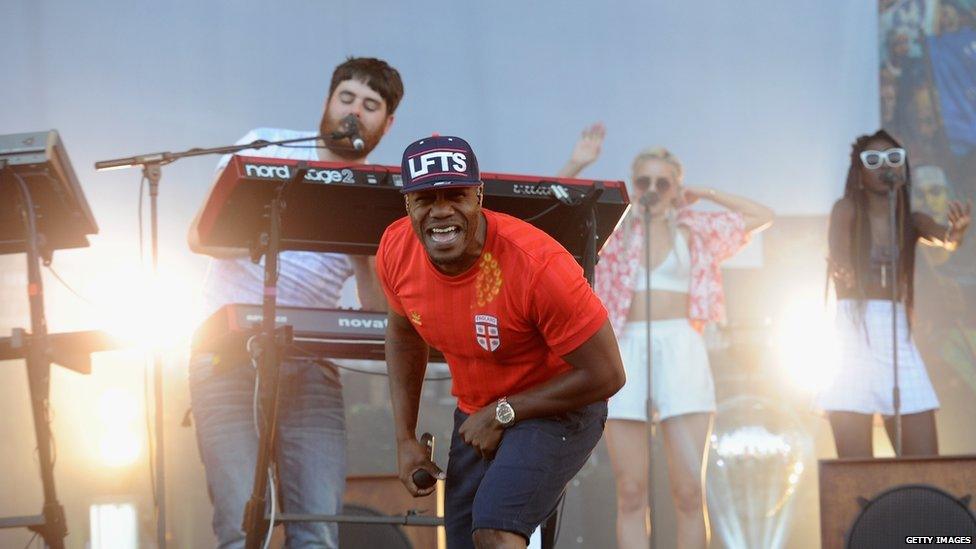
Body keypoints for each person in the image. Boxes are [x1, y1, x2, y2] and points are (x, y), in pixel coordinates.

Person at [186, 56, 403, 548]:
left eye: (370, 106)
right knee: (240, 528)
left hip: (311, 365)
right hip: (226, 355)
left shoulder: (378, 189)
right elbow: (199, 237)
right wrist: (277, 233)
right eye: (346, 98)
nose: (354, 112)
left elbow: (376, 315)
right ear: (327, 102)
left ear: (385, 125)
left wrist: (364, 252)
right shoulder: (265, 147)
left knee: (317, 531)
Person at [377, 135, 626, 549]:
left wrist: (505, 412)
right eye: (425, 199)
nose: (441, 211)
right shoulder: (395, 248)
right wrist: (404, 439)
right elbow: (403, 333)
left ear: (478, 195)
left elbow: (608, 374)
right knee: (462, 542)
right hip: (477, 411)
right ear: (408, 205)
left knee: (495, 532)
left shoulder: (538, 265)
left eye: (456, 195)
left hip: (560, 406)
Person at [558, 123, 774, 549]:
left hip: (682, 349)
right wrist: (578, 164)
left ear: (676, 188)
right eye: (644, 181)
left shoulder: (695, 229)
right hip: (625, 348)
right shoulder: (614, 229)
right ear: (633, 187)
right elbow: (559, 219)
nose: (652, 188)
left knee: (689, 491)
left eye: (663, 181)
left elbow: (761, 217)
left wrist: (705, 192)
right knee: (633, 490)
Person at [817, 129, 971, 458]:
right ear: (859, 174)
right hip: (852, 337)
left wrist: (955, 232)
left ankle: (916, 509)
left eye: (892, 158)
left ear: (902, 170)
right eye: (873, 160)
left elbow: (945, 238)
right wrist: (843, 267)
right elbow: (838, 249)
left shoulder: (911, 220)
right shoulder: (846, 209)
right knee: (856, 472)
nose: (884, 165)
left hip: (896, 337)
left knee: (923, 464)